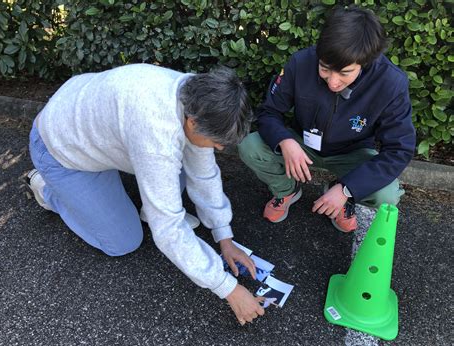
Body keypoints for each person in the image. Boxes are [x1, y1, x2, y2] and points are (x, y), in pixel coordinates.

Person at [27, 64, 265, 325]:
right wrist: (228, 288)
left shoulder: (196, 96)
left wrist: (225, 236)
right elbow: (169, 231)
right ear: (193, 122)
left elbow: (204, 173)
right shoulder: (156, 133)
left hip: (90, 122)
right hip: (61, 149)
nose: (220, 148)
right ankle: (48, 189)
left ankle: (148, 206)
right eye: (218, 142)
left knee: (186, 160)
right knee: (122, 242)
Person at [238, 6, 416, 232]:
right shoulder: (300, 62)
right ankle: (286, 191)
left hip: (352, 152)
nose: (333, 82)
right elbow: (268, 111)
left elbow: (399, 150)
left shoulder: (391, 83)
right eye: (324, 69)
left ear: (366, 61)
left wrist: (346, 189)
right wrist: (284, 141)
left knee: (387, 194)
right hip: (301, 143)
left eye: (344, 73)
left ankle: (342, 196)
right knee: (249, 146)